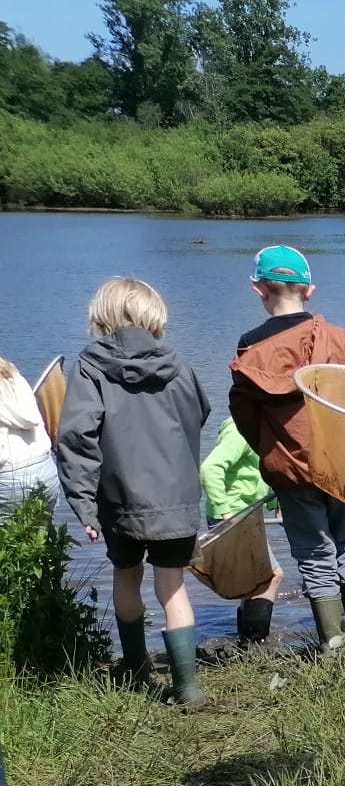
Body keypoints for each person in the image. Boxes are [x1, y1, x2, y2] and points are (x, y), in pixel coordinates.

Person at [56, 277, 211, 707]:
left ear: (102, 316)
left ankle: (138, 670)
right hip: (176, 497)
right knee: (173, 586)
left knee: (126, 577)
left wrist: (83, 503)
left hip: (120, 499)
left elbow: (76, 437)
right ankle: (188, 688)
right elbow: (201, 412)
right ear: (153, 315)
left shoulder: (90, 366)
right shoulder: (178, 363)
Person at [227, 245, 345, 652]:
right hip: (340, 467)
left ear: (257, 289)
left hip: (289, 469)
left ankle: (332, 642)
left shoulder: (250, 348)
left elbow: (243, 413)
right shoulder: (339, 340)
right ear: (309, 290)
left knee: (313, 551)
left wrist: (271, 450)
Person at [198, 418, 285, 649]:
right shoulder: (239, 428)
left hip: (248, 515)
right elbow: (210, 468)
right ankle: (254, 645)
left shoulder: (259, 426)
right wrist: (224, 512)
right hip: (233, 516)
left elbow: (258, 471)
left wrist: (275, 502)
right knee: (270, 577)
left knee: (253, 581)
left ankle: (247, 643)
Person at [0, 357, 59, 514]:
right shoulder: (12, 374)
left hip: (8, 479)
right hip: (45, 470)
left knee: (9, 538)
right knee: (40, 535)